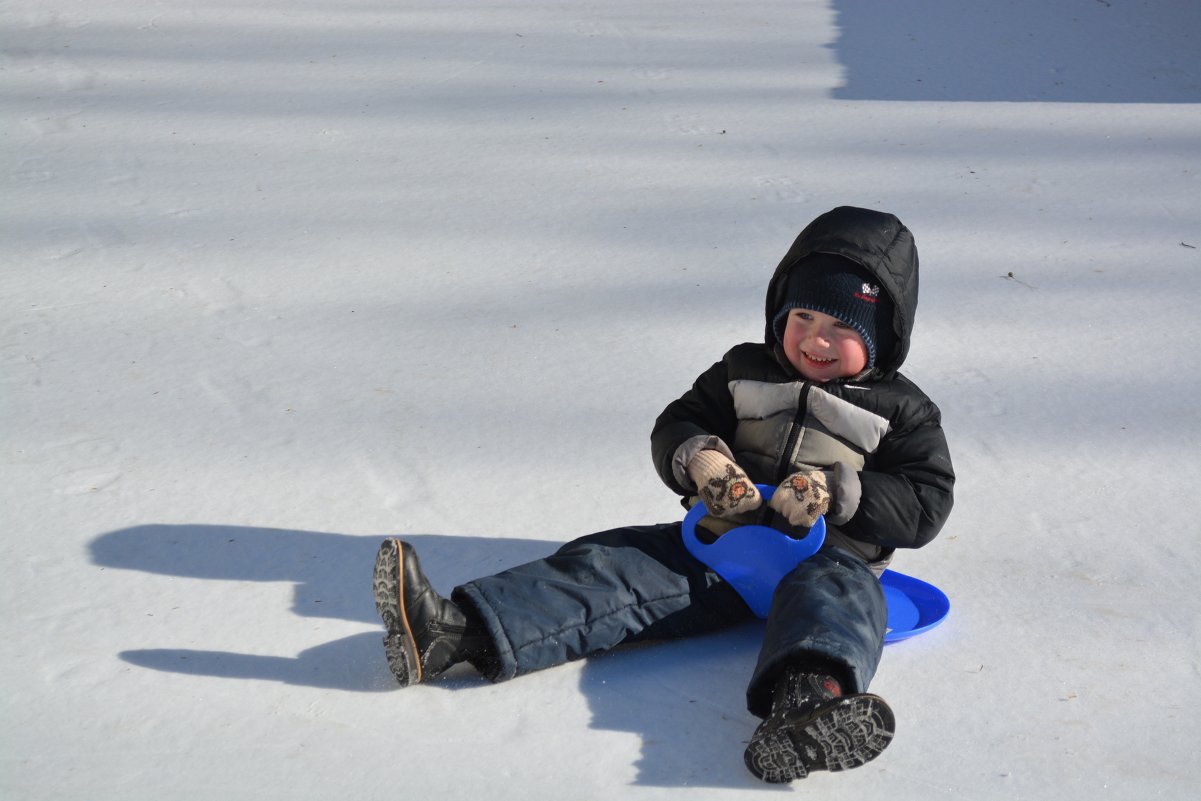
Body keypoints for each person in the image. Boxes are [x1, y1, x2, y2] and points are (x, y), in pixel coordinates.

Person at [372, 205, 955, 783]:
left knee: (839, 605)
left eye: (841, 329)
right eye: (802, 316)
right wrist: (700, 459)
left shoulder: (902, 412)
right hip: (722, 547)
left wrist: (835, 491)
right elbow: (678, 421)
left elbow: (926, 500)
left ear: (881, 338)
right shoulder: (742, 369)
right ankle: (455, 633)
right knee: (612, 565)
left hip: (831, 560)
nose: (814, 339)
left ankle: (806, 707)